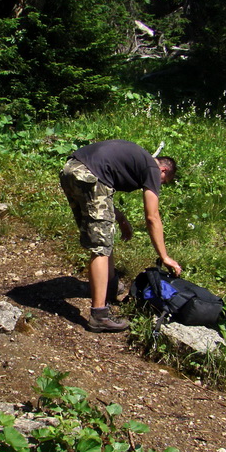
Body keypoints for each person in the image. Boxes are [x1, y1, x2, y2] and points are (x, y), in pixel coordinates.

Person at [59, 139, 181, 332]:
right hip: (90, 176)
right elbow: (152, 217)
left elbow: (100, 182)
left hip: (70, 169)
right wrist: (165, 256)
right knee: (100, 248)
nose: (158, 184)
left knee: (103, 240)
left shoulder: (136, 158)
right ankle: (99, 315)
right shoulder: (152, 168)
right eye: (162, 182)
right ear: (163, 171)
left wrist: (120, 218)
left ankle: (111, 287)